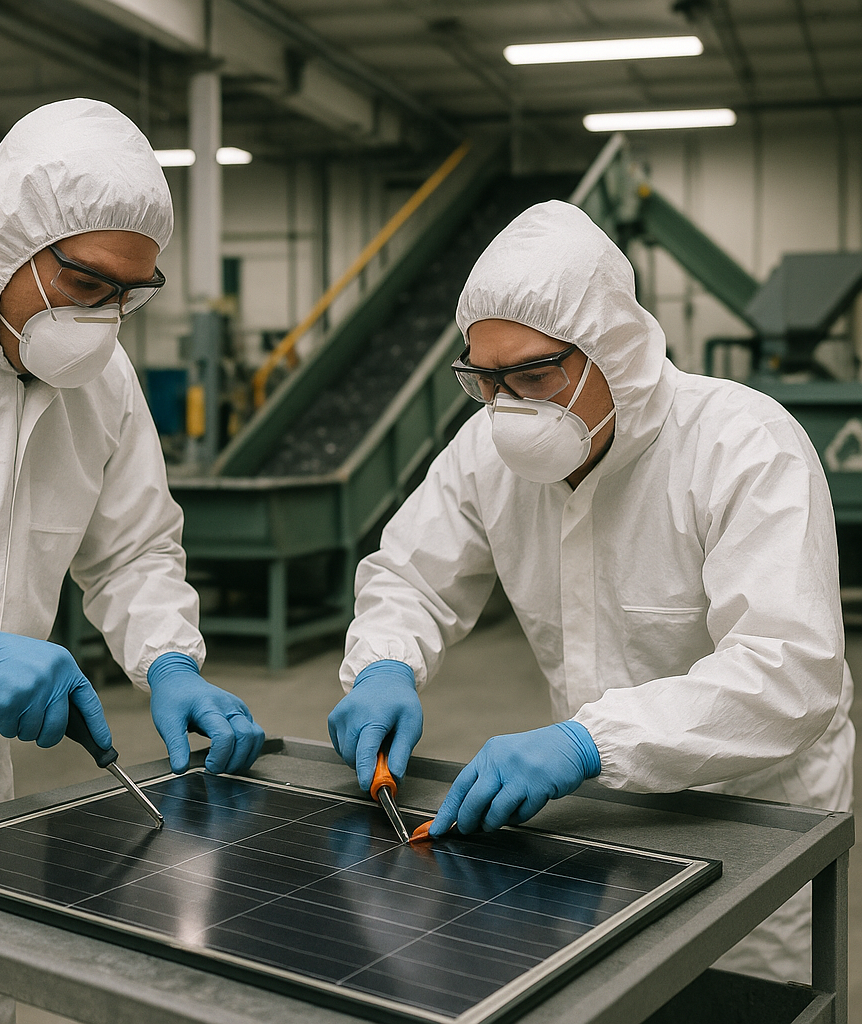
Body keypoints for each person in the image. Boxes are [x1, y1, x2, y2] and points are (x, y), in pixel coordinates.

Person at [327, 199, 854, 984]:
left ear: (616, 352)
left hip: (751, 815)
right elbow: (410, 574)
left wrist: (584, 742)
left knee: (738, 1001)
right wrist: (384, 664)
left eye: (535, 375)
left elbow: (788, 669)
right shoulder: (485, 451)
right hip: (598, 817)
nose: (510, 407)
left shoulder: (742, 443)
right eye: (487, 378)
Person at [0, 98, 264, 1022]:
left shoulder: (100, 379)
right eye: (86, 282)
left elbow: (135, 547)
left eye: (128, 294)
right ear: (6, 240)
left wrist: (170, 659)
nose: (107, 315)